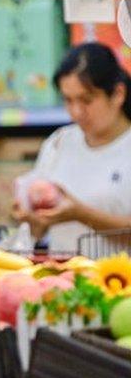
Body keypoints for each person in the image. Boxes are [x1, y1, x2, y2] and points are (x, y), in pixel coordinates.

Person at [14, 43, 131, 250]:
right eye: (68, 100)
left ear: (118, 94)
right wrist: (31, 217)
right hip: (62, 277)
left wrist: (81, 214)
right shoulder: (59, 143)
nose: (76, 112)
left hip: (119, 279)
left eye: (86, 100)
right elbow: (39, 232)